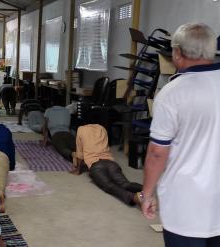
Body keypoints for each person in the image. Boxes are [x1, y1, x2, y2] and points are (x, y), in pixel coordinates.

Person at [141, 23, 220, 246]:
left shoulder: (173, 92)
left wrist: (146, 194)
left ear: (177, 53)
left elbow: (157, 153)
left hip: (186, 203)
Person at [71, 122, 142, 206]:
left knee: (109, 186)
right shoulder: (101, 128)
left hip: (96, 166)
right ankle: (146, 189)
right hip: (111, 163)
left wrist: (78, 170)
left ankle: (134, 198)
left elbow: (79, 154)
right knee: (125, 184)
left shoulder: (81, 129)